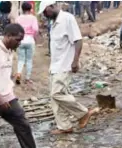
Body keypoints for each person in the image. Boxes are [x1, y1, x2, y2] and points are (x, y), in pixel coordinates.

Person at [38, 1, 98, 135]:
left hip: (65, 65)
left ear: (51, 7)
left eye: (45, 12)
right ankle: (64, 126)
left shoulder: (67, 18)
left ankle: (83, 113)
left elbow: (78, 40)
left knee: (57, 94)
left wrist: (75, 61)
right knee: (56, 98)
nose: (44, 15)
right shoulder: (53, 23)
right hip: (55, 65)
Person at [15, 2, 39, 85]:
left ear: (22, 9)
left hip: (20, 40)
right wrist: (34, 37)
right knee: (29, 60)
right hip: (30, 40)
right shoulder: (33, 18)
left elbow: (16, 29)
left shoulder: (18, 18)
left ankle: (18, 73)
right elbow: (35, 29)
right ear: (30, 9)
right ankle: (27, 78)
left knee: (21, 59)